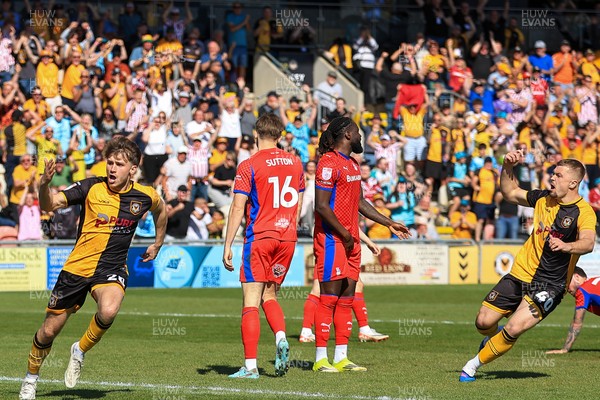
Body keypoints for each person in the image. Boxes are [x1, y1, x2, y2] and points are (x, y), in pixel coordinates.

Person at [19, 137, 167, 400]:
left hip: (111, 268)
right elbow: (48, 205)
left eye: (119, 164)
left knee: (109, 310)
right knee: (49, 331)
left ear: (132, 169)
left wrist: (157, 244)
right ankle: (31, 378)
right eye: (109, 162)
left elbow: (161, 211)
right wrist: (44, 185)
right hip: (77, 268)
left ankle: (80, 350)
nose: (111, 168)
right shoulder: (90, 187)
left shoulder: (145, 196)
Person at [459, 153, 596, 382]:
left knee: (513, 327)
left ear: (573, 183)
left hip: (550, 284)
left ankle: (472, 366)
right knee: (483, 322)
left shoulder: (583, 212)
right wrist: (507, 167)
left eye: (558, 175)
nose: (551, 178)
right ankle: (491, 343)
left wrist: (566, 245)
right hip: (520, 274)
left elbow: (589, 242)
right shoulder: (543, 197)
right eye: (553, 173)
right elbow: (510, 192)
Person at [312, 117, 410, 373]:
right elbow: (321, 206)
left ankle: (341, 357)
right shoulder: (327, 163)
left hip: (350, 240)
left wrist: (389, 222)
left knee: (347, 298)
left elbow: (360, 202)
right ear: (346, 135)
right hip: (333, 240)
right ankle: (320, 359)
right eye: (357, 132)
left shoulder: (353, 164)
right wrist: (344, 233)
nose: (360, 137)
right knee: (328, 299)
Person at [222, 113, 305, 379]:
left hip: (260, 236)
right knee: (270, 295)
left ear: (256, 134)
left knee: (250, 302)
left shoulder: (249, 164)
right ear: (280, 135)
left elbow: (237, 206)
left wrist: (227, 244)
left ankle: (250, 367)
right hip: (287, 237)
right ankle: (281, 336)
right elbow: (299, 205)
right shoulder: (295, 162)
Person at [300, 230, 389, 343]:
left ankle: (306, 331)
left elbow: (350, 224)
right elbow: (348, 224)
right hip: (332, 246)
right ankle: (364, 330)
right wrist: (368, 241)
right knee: (319, 289)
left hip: (331, 244)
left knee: (355, 285)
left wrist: (367, 241)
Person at [546, 267, 600, 354]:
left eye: (567, 283)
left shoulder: (583, 290)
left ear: (577, 277)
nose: (566, 288)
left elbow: (577, 323)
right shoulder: (594, 281)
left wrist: (564, 349)